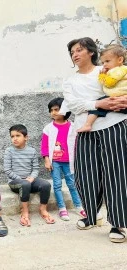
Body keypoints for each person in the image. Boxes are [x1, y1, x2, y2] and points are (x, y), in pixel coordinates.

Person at [62, 37, 127, 243]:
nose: (75, 54)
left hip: (114, 126)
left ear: (91, 52)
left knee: (116, 176)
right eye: (72, 52)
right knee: (84, 175)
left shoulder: (105, 71)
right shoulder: (70, 81)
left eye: (79, 50)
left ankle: (118, 224)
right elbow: (73, 105)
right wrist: (100, 104)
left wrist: (118, 100)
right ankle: (91, 215)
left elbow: (121, 90)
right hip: (84, 130)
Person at [41, 97, 86, 221]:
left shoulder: (73, 126)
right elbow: (44, 145)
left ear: (65, 110)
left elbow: (78, 143)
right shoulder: (48, 128)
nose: (53, 112)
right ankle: (62, 208)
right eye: (51, 110)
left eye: (56, 109)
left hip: (70, 162)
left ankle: (79, 206)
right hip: (55, 162)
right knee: (57, 185)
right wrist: (47, 160)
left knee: (72, 184)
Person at [4, 124, 55, 227]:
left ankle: (43, 209)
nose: (15, 139)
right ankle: (25, 211)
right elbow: (7, 170)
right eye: (12, 136)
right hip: (15, 182)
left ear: (26, 137)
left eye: (18, 135)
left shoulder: (32, 151)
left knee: (46, 185)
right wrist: (22, 179)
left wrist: (32, 177)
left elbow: (35, 168)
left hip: (30, 180)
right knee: (25, 184)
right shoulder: (9, 151)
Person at [77, 44, 127, 132]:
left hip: (117, 97)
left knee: (98, 106)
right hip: (121, 98)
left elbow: (109, 83)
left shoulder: (118, 70)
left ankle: (88, 124)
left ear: (120, 60)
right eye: (103, 62)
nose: (104, 65)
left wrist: (102, 75)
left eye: (107, 61)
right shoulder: (121, 69)